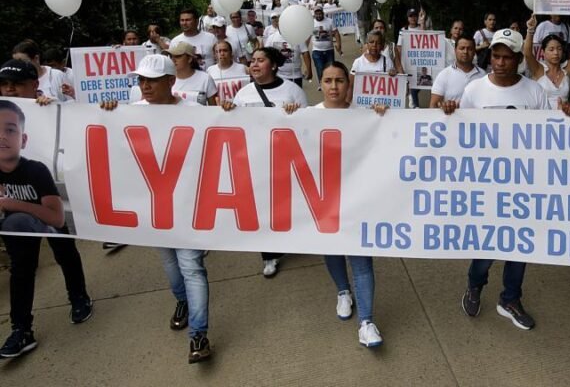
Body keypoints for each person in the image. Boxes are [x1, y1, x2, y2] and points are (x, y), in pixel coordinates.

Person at [442, 28, 570, 330]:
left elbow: (550, 134)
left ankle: (510, 298)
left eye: (507, 57)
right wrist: (450, 113)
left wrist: (567, 116)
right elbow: (459, 134)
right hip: (487, 182)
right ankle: (475, 284)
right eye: (495, 56)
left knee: (520, 244)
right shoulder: (475, 90)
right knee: (488, 242)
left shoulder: (534, 92)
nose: (500, 62)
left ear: (519, 59)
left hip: (523, 183)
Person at [100, 54, 213, 363]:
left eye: (151, 80)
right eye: (141, 80)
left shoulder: (195, 111)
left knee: (191, 267)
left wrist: (227, 112)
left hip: (189, 205)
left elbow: (220, 141)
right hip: (154, 208)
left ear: (171, 82)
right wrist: (107, 114)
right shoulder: (129, 112)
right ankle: (182, 302)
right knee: (170, 265)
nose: (145, 86)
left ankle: (199, 335)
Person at [0, 96, 93, 359]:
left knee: (65, 252)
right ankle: (21, 329)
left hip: (48, 221)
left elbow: (57, 218)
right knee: (21, 269)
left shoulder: (36, 170)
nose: (3, 137)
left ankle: (79, 298)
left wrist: (12, 203)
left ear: (23, 139)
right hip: (19, 227)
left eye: (10, 130)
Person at [303, 61, 385, 347]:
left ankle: (366, 321)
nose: (334, 86)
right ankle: (342, 291)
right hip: (324, 199)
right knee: (332, 250)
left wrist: (383, 118)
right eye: (328, 81)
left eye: (339, 80)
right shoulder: (307, 116)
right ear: (321, 84)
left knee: (362, 260)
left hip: (357, 200)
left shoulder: (363, 115)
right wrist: (288, 116)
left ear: (348, 85)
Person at [224, 47, 308, 277]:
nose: (254, 64)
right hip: (255, 160)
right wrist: (228, 110)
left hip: (285, 158)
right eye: (252, 61)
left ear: (273, 65)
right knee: (261, 207)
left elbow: (310, 125)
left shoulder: (292, 90)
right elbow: (234, 127)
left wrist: (296, 114)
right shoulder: (242, 94)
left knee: (285, 203)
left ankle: (293, 236)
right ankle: (269, 255)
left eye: (261, 60)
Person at [524, 15, 570, 109]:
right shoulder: (538, 69)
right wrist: (530, 30)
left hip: (564, 119)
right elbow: (528, 53)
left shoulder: (567, 69)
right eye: (551, 49)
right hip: (541, 120)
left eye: (559, 49)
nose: (556, 53)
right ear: (543, 52)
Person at [428, 35, 484, 109]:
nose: (465, 52)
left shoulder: (483, 75)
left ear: (474, 52)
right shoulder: (444, 75)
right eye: (462, 48)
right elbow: (433, 105)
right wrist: (445, 107)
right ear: (455, 50)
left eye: (469, 49)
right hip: (451, 120)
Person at [395, 8, 425, 108]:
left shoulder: (421, 27)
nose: (413, 18)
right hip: (408, 61)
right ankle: (414, 104)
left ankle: (412, 98)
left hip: (420, 61)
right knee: (412, 83)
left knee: (421, 83)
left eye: (415, 16)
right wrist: (399, 64)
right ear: (408, 18)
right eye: (410, 16)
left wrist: (422, 21)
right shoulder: (404, 30)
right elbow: (399, 48)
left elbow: (425, 38)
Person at [310, 6, 342, 80]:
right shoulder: (311, 23)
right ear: (314, 14)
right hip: (317, 51)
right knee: (320, 68)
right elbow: (308, 36)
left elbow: (336, 33)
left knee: (330, 69)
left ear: (323, 13)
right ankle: (322, 83)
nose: (318, 15)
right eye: (316, 14)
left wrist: (338, 44)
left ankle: (329, 82)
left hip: (329, 50)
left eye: (320, 13)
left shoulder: (329, 21)